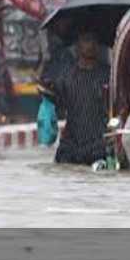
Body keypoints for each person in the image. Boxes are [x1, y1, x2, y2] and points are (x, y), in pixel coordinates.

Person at [48, 30, 110, 165]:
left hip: (99, 147)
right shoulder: (66, 76)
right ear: (77, 45)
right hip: (71, 147)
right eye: (87, 40)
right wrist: (48, 94)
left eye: (94, 41)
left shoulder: (108, 75)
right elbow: (57, 106)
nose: (91, 45)